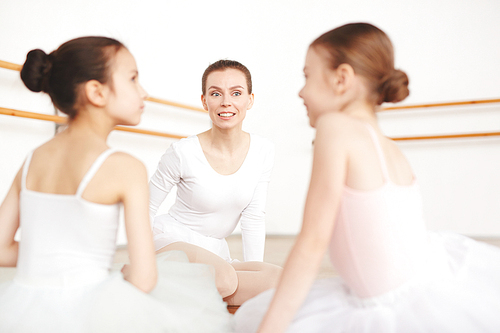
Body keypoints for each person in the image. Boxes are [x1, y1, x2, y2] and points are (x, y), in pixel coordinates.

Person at [234, 23, 500, 332]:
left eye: (307, 76)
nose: (301, 90)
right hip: (425, 280)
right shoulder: (386, 145)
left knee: (257, 318)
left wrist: (271, 329)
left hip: (388, 304)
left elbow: (311, 243)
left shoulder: (335, 126)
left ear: (341, 78)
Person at [0, 36, 231, 332]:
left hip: (25, 310)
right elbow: (145, 278)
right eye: (133, 79)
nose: (144, 92)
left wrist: (52, 259)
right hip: (90, 312)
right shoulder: (125, 167)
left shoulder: (33, 160)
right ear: (97, 92)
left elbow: (2, 248)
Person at [149, 59, 282, 306]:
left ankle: (184, 292)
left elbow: (254, 215)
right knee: (224, 279)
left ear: (250, 100)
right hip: (173, 242)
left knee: (281, 281)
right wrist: (141, 263)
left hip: (215, 252)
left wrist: (256, 269)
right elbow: (145, 208)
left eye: (236, 93)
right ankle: (153, 285)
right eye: (216, 93)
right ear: (204, 101)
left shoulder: (263, 150)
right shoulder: (182, 152)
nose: (226, 102)